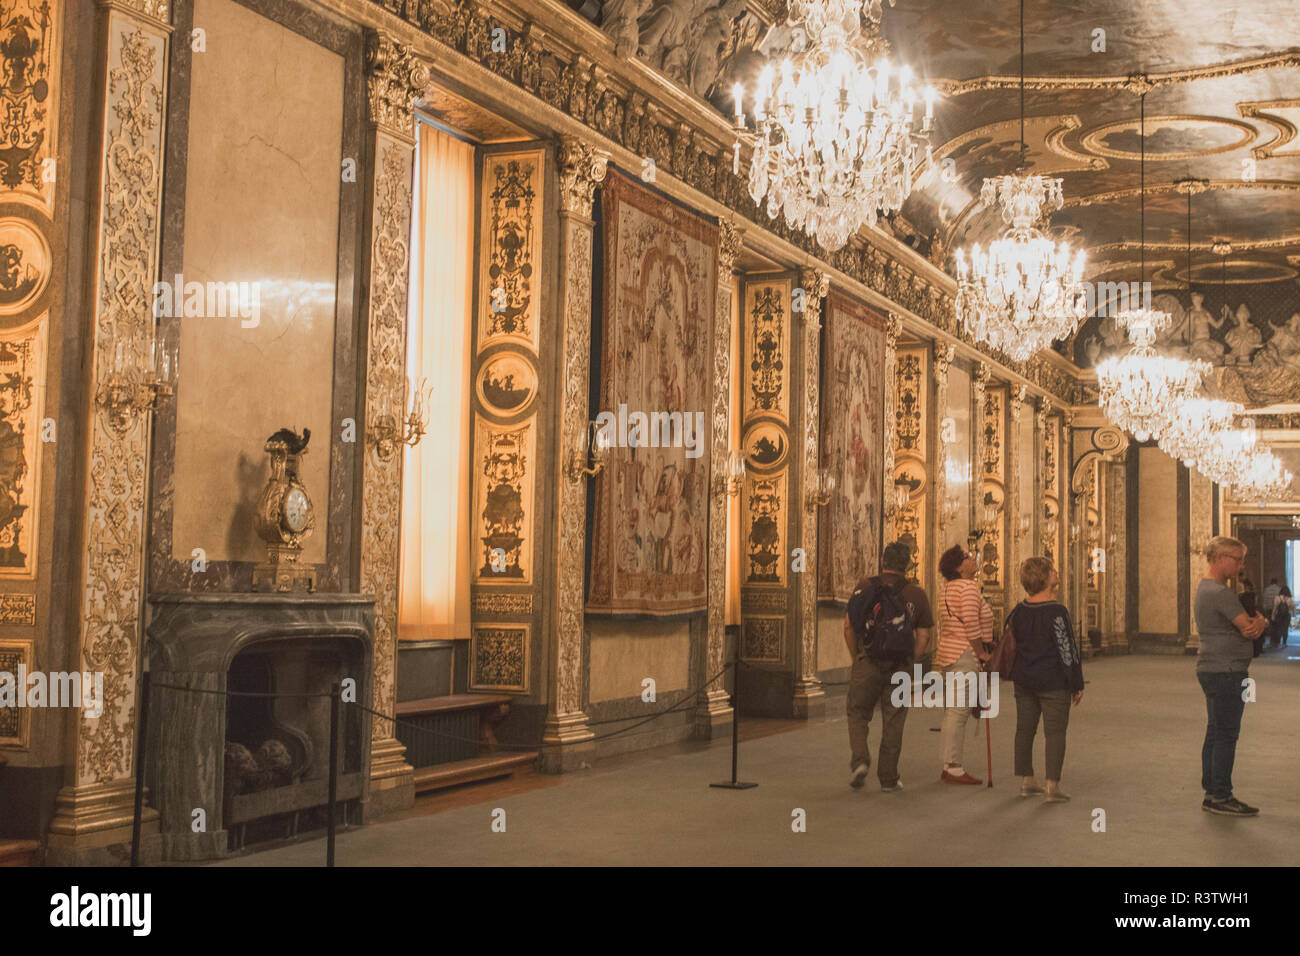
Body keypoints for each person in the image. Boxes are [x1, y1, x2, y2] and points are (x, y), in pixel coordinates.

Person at [843, 541, 933, 793]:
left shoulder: (864, 587)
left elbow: (849, 626)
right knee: (894, 719)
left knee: (857, 713)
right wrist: (910, 661)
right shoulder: (917, 594)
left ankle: (860, 761)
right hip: (900, 666)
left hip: (867, 662)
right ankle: (889, 778)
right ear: (907, 566)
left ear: (883, 562)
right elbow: (924, 636)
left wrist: (857, 657)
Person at [1195, 536, 1269, 816]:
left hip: (1212, 668)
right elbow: (1249, 628)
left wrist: (1257, 622)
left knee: (1215, 730)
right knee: (1226, 733)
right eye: (1236, 560)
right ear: (1219, 558)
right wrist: (1262, 621)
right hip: (1226, 670)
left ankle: (1212, 791)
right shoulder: (1220, 593)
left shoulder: (1206, 589)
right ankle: (1221, 796)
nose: (1240, 566)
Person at [1008, 557, 1084, 803]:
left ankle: (1026, 781)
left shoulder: (1018, 611)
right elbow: (1067, 649)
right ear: (1044, 578)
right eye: (1052, 570)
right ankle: (1052, 785)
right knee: (1054, 733)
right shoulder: (1057, 611)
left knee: (1024, 730)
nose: (1056, 572)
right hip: (1053, 682)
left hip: (1024, 680)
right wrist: (1076, 683)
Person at [935, 544, 993, 785]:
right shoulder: (968, 587)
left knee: (953, 710)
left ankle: (950, 763)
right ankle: (953, 767)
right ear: (960, 567)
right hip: (965, 654)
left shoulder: (947, 588)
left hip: (948, 653)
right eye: (968, 557)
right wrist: (982, 653)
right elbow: (970, 622)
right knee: (959, 711)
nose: (973, 558)